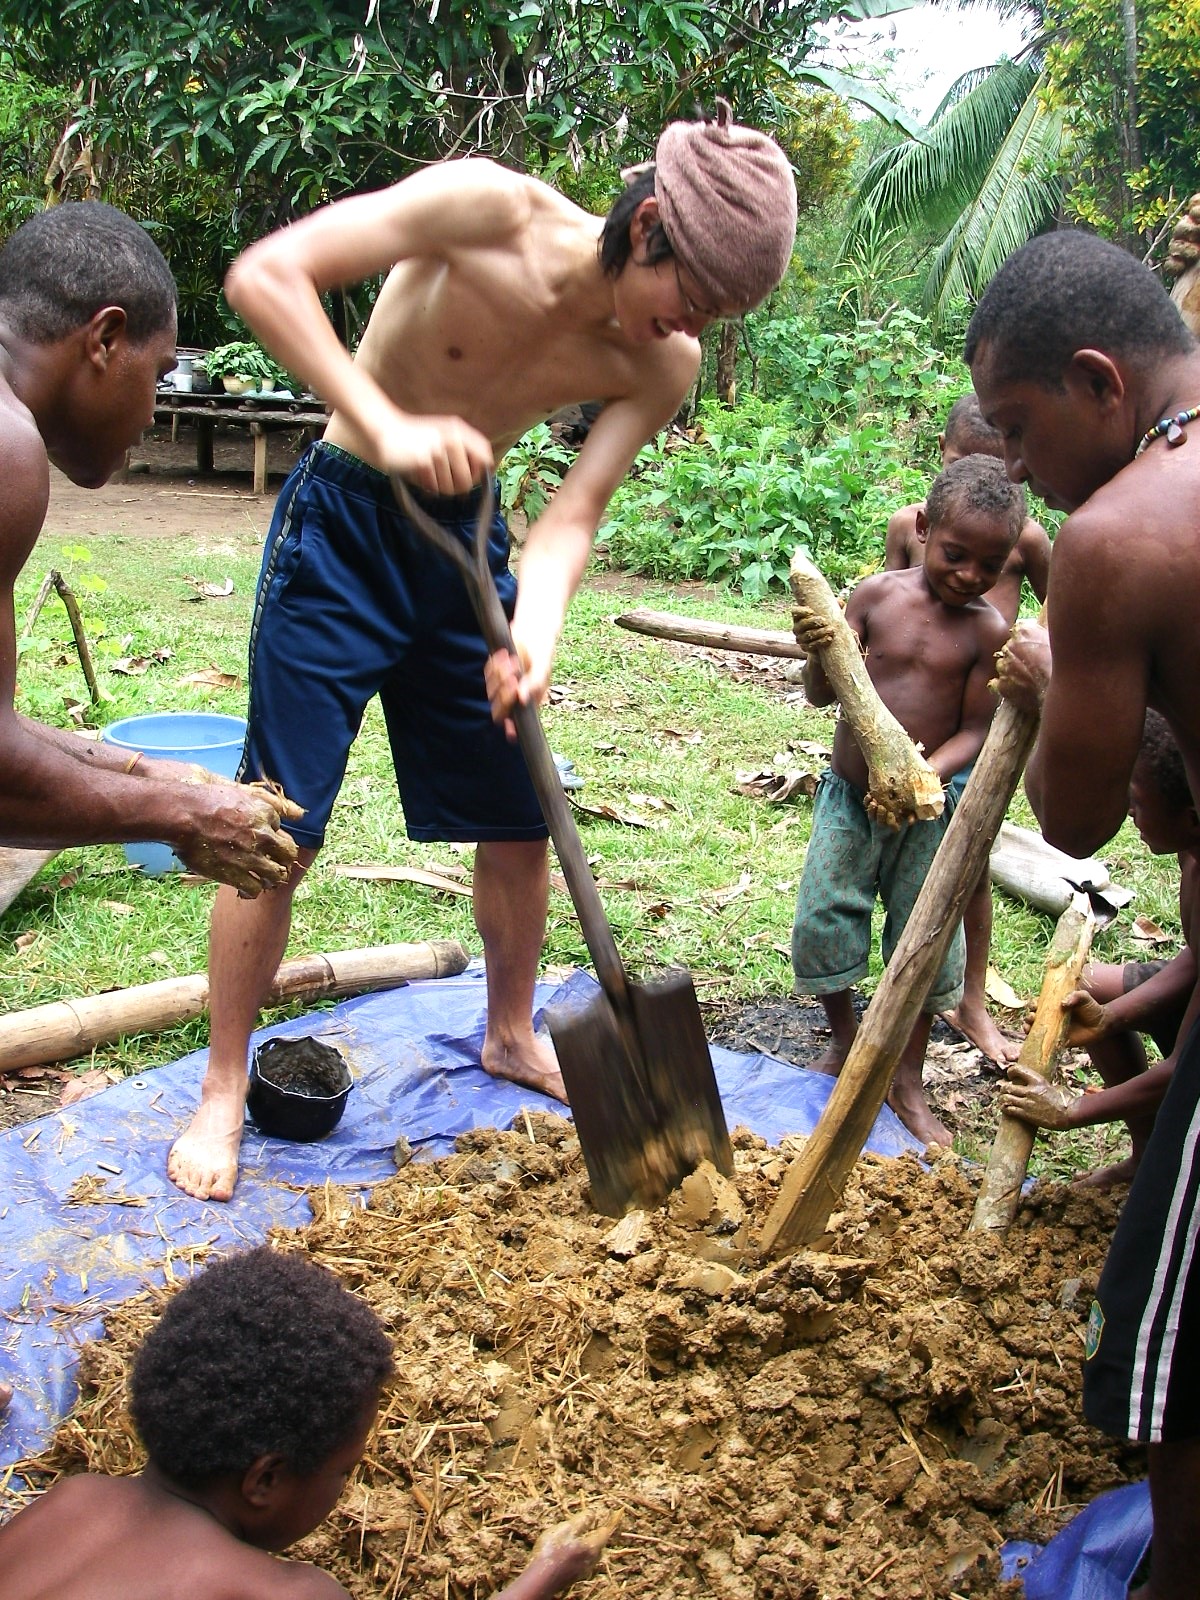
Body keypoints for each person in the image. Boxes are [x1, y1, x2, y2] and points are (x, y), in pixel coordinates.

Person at [166, 103, 798, 1202]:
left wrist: (535, 635)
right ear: (646, 225)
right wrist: (386, 419)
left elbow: (575, 515)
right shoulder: (483, 208)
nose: (691, 329)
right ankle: (223, 1085)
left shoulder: (660, 363)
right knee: (279, 825)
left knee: (520, 814)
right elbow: (266, 277)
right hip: (347, 525)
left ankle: (511, 1031)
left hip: (468, 550)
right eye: (692, 298)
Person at [0, 201, 301, 1419]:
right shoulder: (8, 451)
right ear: (105, 338)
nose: (160, 408)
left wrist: (139, 776)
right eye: (163, 375)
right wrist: (182, 814)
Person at [968, 226, 1200, 1600]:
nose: (1012, 469)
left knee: (1172, 1343)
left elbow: (1072, 824)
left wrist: (1056, 675)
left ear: (1099, 381)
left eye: (1017, 426)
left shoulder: (1121, 535)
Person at [0, 1246, 615, 1599]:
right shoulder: (286, 1595)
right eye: (344, 1472)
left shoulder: (73, 1500)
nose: (347, 1489)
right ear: (265, 1480)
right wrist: (544, 1575)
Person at [791, 454, 1024, 1147]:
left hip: (928, 808)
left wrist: (926, 770)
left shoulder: (986, 631)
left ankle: (907, 1076)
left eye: (990, 565)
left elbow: (979, 729)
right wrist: (816, 652)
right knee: (826, 913)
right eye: (956, 555)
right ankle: (846, 1037)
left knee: (925, 938)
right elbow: (821, 692)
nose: (970, 575)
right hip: (848, 798)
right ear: (922, 528)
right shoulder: (873, 597)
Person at [884, 390, 1052, 1064]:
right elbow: (891, 608)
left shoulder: (1029, 539)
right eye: (965, 467)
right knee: (907, 854)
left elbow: (1063, 609)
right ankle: (905, 983)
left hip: (985, 716)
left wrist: (1032, 657)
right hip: (915, 721)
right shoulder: (909, 525)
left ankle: (971, 1000)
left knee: (970, 855)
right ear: (943, 463)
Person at [999, 710, 1200, 1187]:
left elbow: (1184, 1071)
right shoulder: (1192, 847)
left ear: (1189, 817)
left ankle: (1174, 1169)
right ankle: (1148, 1153)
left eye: (1137, 802)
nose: (1130, 814)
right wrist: (1110, 1018)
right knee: (1089, 988)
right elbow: (1196, 954)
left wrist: (1071, 1110)